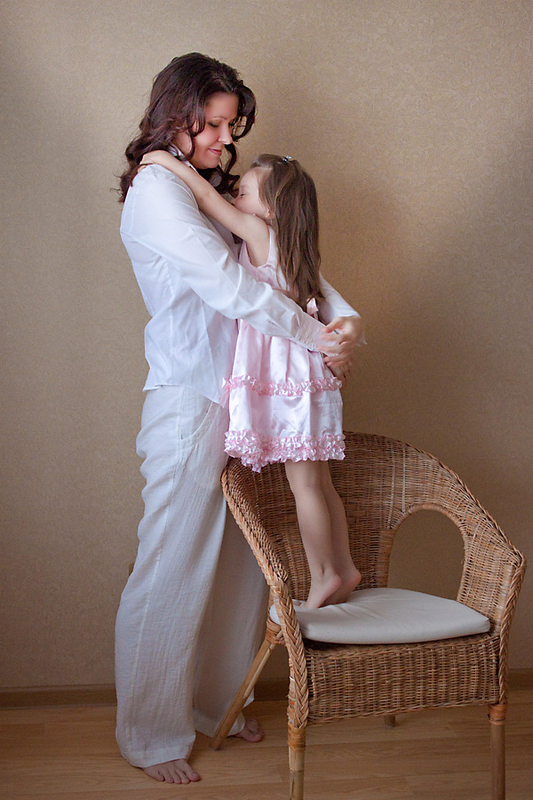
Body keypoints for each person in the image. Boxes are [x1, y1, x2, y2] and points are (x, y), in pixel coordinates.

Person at [116, 52, 364, 785]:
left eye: (232, 126)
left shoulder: (211, 190)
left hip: (250, 400)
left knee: (238, 563)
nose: (227, 140)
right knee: (171, 562)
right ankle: (148, 732)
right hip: (191, 397)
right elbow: (231, 288)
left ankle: (212, 703)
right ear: (178, 115)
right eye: (216, 125)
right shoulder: (157, 192)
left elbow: (288, 263)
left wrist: (344, 326)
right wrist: (315, 338)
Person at [141, 149, 362, 610]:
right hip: (308, 373)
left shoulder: (259, 233)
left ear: (271, 209)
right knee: (321, 483)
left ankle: (323, 575)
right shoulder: (296, 250)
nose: (235, 197)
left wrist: (167, 162)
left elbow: (206, 198)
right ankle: (343, 568)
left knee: (304, 486)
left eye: (244, 192)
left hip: (287, 377)